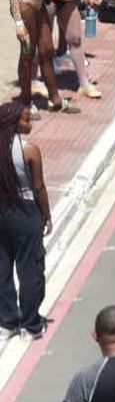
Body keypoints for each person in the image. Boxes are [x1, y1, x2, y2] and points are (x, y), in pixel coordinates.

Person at [0, 102, 49, 341]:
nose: (29, 124)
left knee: (2, 268)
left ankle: (7, 322)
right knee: (30, 266)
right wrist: (46, 215)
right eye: (26, 120)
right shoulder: (29, 150)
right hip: (25, 211)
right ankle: (30, 325)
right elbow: (38, 186)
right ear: (12, 123)